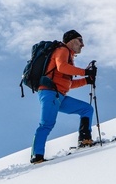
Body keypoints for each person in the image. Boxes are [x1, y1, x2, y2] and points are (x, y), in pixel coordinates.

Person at [31, 29, 97, 163]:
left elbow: (67, 84)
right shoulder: (62, 50)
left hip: (58, 96)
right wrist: (85, 72)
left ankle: (85, 139)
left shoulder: (69, 57)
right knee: (46, 124)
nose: (82, 44)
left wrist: (86, 80)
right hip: (50, 93)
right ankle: (37, 156)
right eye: (80, 40)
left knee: (86, 109)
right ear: (71, 40)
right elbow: (62, 67)